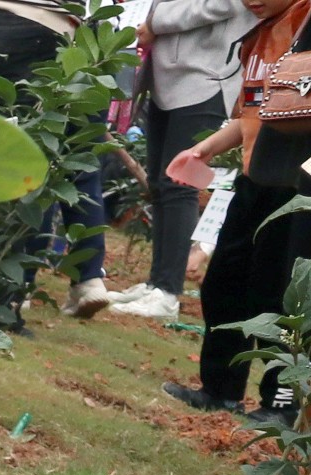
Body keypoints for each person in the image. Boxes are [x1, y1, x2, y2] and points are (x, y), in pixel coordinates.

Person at [165, 0, 310, 417]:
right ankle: (220, 389)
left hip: (297, 185)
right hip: (254, 180)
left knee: (279, 295)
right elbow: (249, 112)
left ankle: (281, 400)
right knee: (224, 285)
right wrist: (205, 148)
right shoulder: (259, 34)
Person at [0, 0, 116, 318]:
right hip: (71, 25)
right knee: (71, 158)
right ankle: (83, 279)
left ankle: (7, 282)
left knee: (10, 155)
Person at [112, 0, 254, 320]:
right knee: (161, 183)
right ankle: (156, 284)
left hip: (207, 76)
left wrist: (153, 20)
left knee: (180, 184)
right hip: (167, 75)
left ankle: (167, 293)